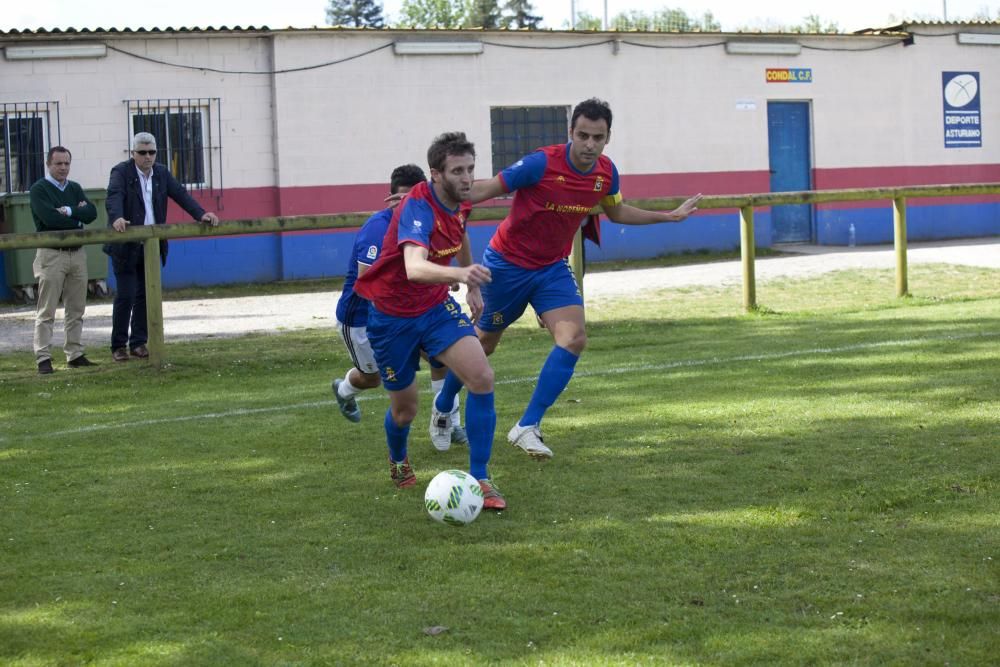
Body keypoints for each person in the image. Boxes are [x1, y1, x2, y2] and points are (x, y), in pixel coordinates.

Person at [430, 98, 702, 458]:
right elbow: (485, 189)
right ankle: (444, 406)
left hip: (551, 268)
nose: (590, 144)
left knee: (573, 338)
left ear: (608, 137)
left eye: (598, 137)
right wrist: (429, 197)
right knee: (483, 344)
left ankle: (527, 426)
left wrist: (668, 217)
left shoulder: (606, 172)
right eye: (583, 135)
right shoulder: (541, 162)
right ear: (570, 132)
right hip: (507, 264)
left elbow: (616, 211)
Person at [354, 132, 505, 510]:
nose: (467, 178)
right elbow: (415, 267)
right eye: (457, 171)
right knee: (405, 409)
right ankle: (399, 457)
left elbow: (461, 230)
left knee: (482, 377)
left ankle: (481, 479)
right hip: (392, 317)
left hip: (436, 308)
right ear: (436, 174)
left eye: (470, 169)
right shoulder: (418, 207)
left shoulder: (461, 200)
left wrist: (469, 287)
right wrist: (462, 275)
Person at [331, 163, 469, 449]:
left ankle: (450, 422)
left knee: (442, 356)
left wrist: (441, 280)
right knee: (372, 379)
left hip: (413, 310)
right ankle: (344, 390)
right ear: (391, 198)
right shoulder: (377, 229)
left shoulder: (427, 221)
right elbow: (368, 281)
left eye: (415, 198)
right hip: (362, 318)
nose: (409, 205)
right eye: (402, 198)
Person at [105, 132, 219, 362]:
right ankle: (118, 346)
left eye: (152, 152)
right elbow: (113, 197)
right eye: (142, 153)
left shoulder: (162, 173)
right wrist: (117, 217)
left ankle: (138, 342)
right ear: (133, 153)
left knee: (146, 295)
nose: (147, 157)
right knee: (126, 295)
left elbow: (181, 195)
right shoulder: (121, 172)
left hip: (152, 244)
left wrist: (201, 214)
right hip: (126, 243)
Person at [29, 146, 99, 375]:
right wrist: (77, 218)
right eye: (58, 163)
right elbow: (48, 219)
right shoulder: (39, 189)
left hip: (77, 253)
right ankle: (43, 358)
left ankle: (75, 353)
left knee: (76, 308)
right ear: (49, 164)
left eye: (67, 163)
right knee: (47, 309)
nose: (63, 168)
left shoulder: (75, 188)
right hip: (52, 254)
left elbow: (91, 213)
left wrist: (69, 211)